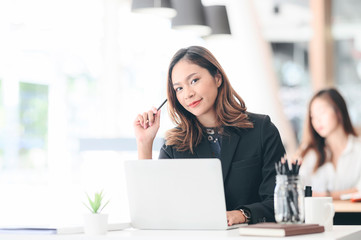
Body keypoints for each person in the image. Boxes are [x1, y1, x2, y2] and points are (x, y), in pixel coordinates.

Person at [134, 46, 285, 225]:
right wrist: (144, 143)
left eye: (194, 80)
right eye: (179, 88)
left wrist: (242, 214)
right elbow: (153, 210)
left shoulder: (261, 129)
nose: (188, 93)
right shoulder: (174, 144)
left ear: (217, 78)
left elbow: (281, 200)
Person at [298, 88, 361, 200]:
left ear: (338, 111)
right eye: (313, 116)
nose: (317, 120)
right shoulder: (311, 154)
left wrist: (326, 196)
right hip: (317, 216)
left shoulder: (358, 149)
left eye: (322, 112)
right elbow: (298, 188)